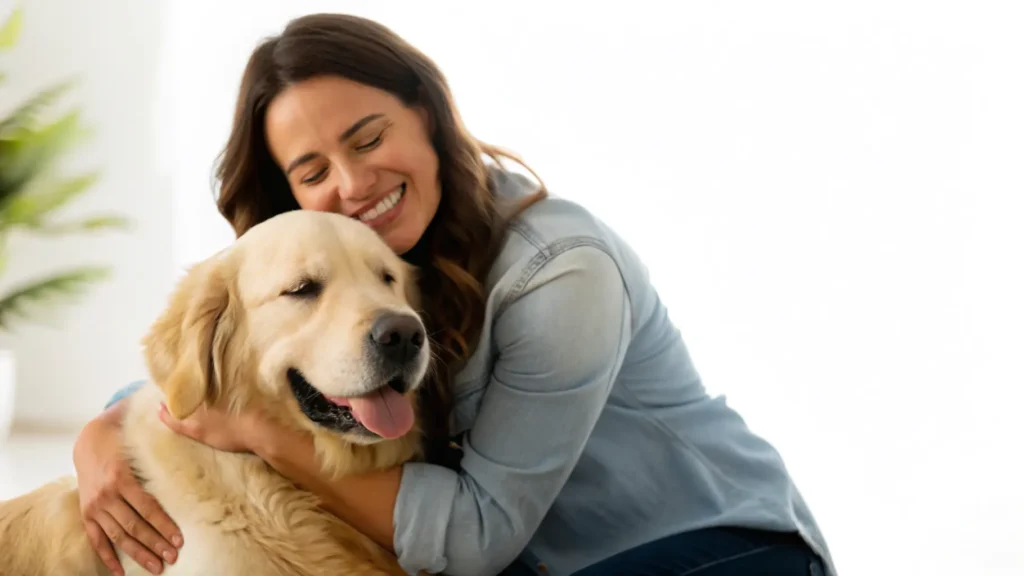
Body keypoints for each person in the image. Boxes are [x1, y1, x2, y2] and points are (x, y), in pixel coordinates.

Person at [71, 13, 836, 576]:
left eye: (369, 139)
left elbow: (476, 535)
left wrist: (265, 439)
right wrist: (102, 434)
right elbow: (226, 356)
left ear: (430, 118)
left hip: (713, 547)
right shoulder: (359, 267)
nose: (353, 184)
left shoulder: (562, 270)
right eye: (313, 172)